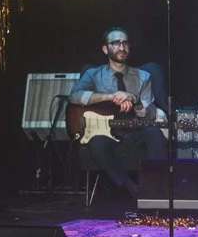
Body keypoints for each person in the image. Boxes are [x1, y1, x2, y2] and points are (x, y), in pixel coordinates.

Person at [68, 27, 166, 198]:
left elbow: (149, 113)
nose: (122, 47)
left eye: (125, 43)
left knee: (154, 132)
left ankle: (157, 189)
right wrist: (110, 97)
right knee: (97, 144)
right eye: (116, 43)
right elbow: (75, 96)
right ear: (105, 49)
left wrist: (134, 100)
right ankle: (131, 188)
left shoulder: (144, 76)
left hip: (134, 131)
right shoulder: (93, 74)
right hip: (106, 133)